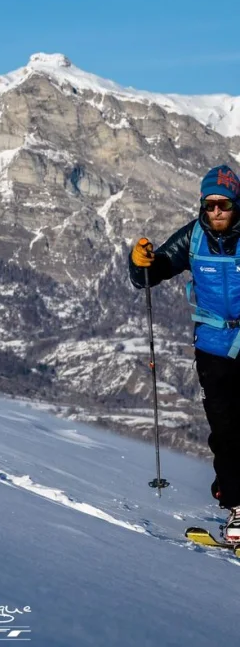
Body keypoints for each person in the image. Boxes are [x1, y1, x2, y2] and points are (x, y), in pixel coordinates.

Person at [129, 164, 240, 540]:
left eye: (223, 204)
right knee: (225, 432)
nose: (216, 212)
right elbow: (151, 273)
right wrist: (140, 261)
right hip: (212, 348)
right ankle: (237, 508)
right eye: (208, 206)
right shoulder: (192, 237)